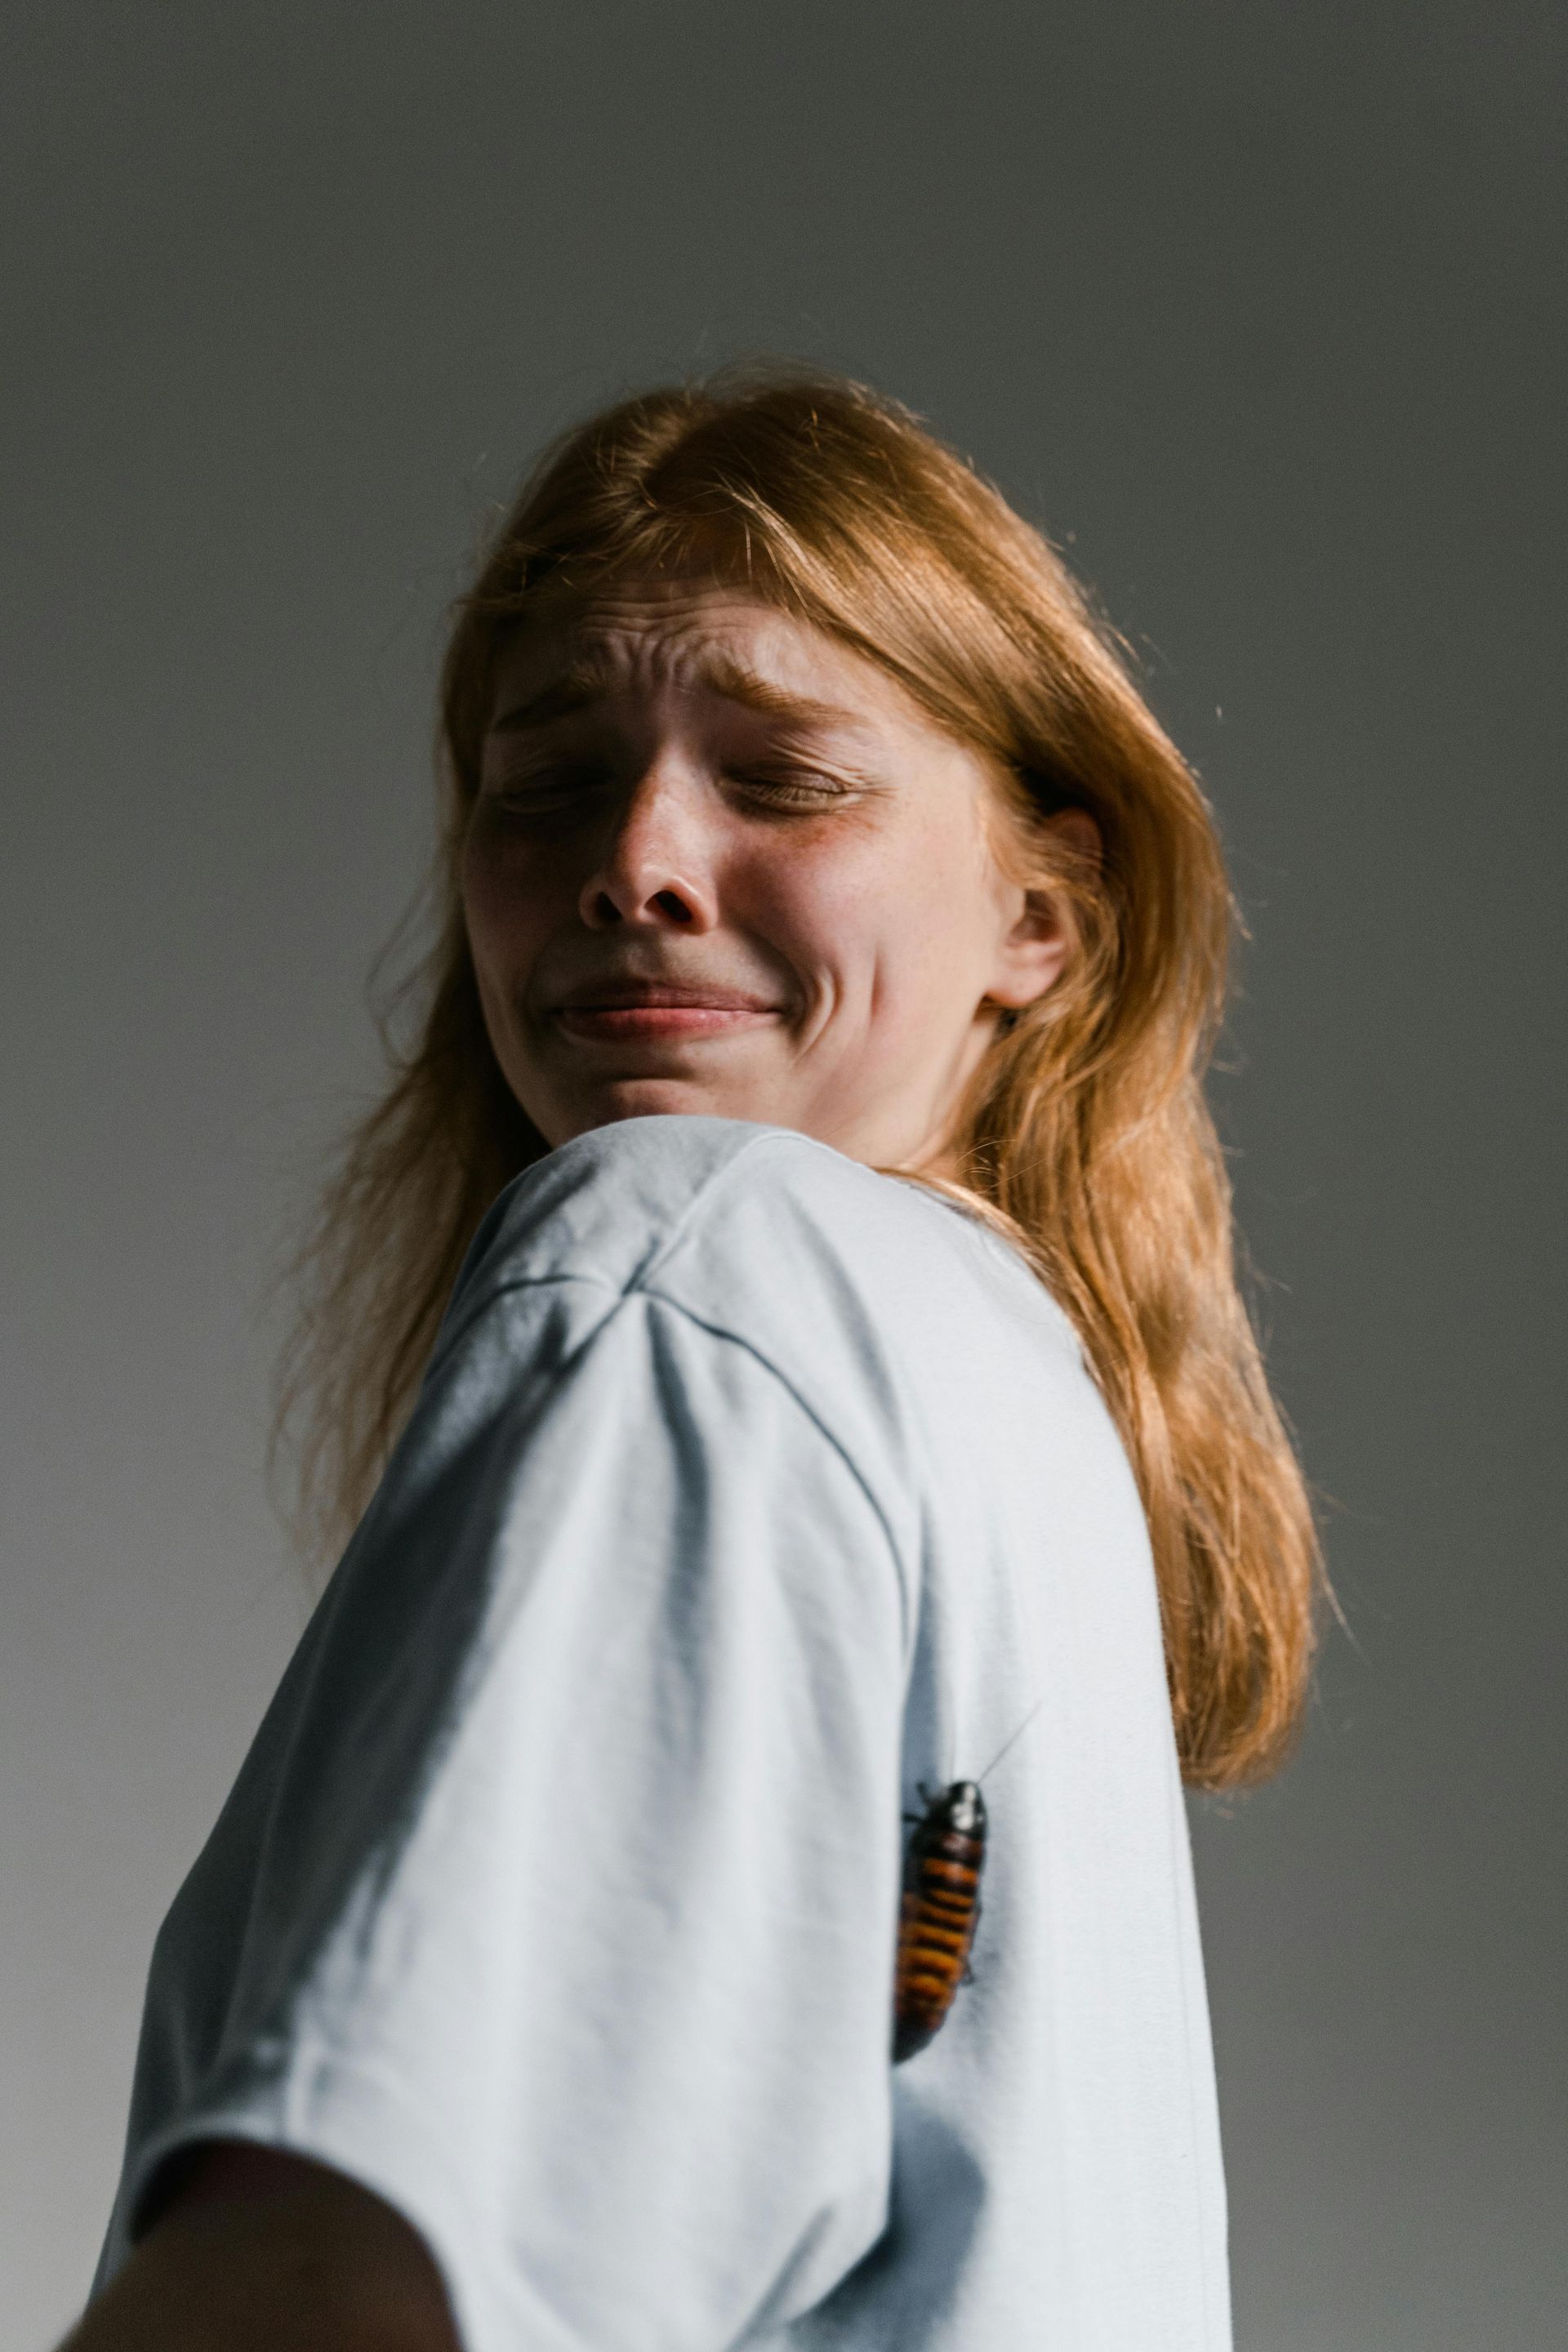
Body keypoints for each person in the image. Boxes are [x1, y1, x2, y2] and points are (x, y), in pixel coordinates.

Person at [65, 369, 1321, 2352]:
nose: (635, 860)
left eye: (784, 775)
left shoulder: (700, 1263)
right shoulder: (998, 1395)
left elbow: (347, 2288)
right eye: (545, 781)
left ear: (1045, 915)